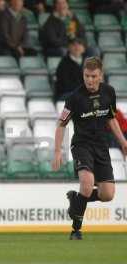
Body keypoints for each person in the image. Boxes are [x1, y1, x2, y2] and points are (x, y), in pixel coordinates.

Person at [52, 57, 127, 240]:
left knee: (107, 194)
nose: (90, 80)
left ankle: (75, 200)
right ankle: (76, 229)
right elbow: (61, 124)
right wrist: (57, 151)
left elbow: (111, 118)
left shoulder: (109, 92)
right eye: (86, 76)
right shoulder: (74, 98)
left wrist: (123, 142)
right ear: (83, 74)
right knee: (86, 183)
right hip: (81, 145)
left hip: (101, 147)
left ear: (100, 75)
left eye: (93, 76)